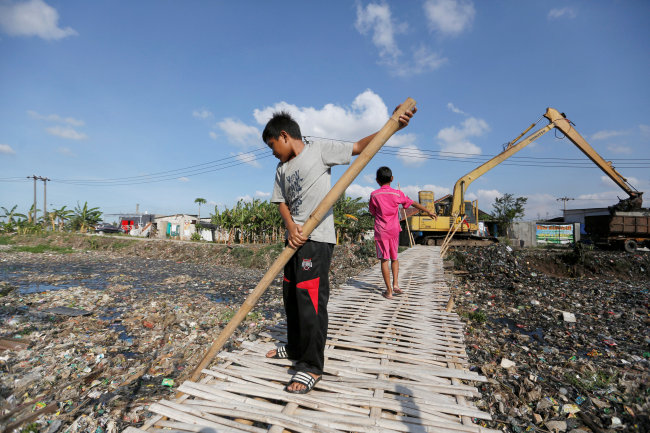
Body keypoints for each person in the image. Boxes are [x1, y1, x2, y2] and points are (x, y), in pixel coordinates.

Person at [263, 105, 416, 394]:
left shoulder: (319, 150)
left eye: (273, 146)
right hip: (292, 242)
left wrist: (392, 125)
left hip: (317, 238)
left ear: (284, 136)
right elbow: (280, 201)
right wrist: (290, 226)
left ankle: (311, 366)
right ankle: (296, 347)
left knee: (310, 301)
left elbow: (358, 146)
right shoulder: (281, 168)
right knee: (291, 297)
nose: (273, 153)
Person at [369, 166, 436, 300]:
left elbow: (372, 211)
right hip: (394, 230)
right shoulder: (397, 194)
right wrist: (428, 211)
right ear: (392, 179)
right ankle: (396, 285)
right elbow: (413, 203)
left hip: (381, 231)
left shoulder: (374, 195)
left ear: (377, 180)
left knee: (384, 260)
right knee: (395, 258)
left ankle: (388, 292)